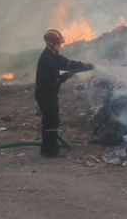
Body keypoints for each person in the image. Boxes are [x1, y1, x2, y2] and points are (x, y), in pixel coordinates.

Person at [35, 29, 93, 158]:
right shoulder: (47, 59)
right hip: (46, 95)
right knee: (51, 122)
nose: (60, 46)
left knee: (49, 121)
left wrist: (83, 65)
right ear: (51, 43)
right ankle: (51, 152)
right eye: (58, 43)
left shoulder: (52, 56)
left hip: (47, 94)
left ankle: (47, 150)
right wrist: (67, 75)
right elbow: (53, 81)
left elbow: (66, 63)